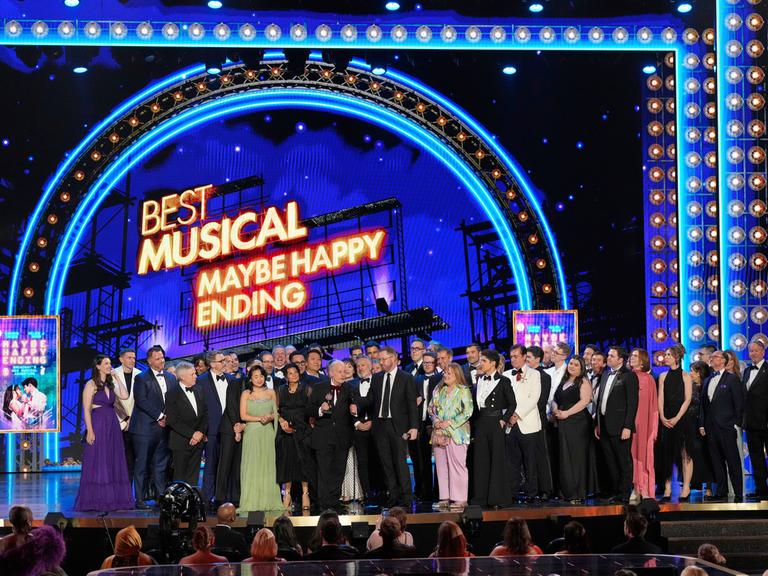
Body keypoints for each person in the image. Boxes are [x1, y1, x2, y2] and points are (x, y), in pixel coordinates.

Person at [75, 354, 134, 512]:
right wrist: (90, 431)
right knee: (99, 460)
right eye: (106, 363)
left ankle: (114, 499)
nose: (109, 366)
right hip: (98, 424)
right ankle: (96, 500)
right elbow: (86, 410)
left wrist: (117, 378)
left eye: (110, 363)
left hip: (112, 425)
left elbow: (125, 395)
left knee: (112, 458)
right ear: (98, 366)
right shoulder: (91, 384)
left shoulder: (111, 383)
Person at [369, 346, 418, 507]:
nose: (380, 362)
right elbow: (370, 401)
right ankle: (393, 495)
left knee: (400, 462)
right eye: (379, 360)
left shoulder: (406, 378)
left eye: (383, 359)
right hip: (380, 426)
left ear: (393, 358)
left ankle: (406, 497)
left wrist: (414, 427)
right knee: (386, 463)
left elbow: (412, 404)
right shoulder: (376, 378)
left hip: (399, 426)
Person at [130, 345, 177, 509]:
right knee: (142, 464)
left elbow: (173, 401)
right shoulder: (141, 378)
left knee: (160, 464)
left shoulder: (171, 378)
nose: (162, 360)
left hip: (164, 429)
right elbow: (141, 400)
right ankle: (140, 499)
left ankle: (161, 497)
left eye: (163, 357)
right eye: (158, 358)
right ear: (150, 361)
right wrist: (160, 416)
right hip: (144, 429)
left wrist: (168, 417)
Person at [307, 360, 357, 511]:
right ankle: (324, 504)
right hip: (323, 437)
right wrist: (320, 410)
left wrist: (356, 407)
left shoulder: (349, 388)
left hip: (342, 437)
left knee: (338, 471)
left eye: (345, 371)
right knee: (323, 471)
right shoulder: (319, 387)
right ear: (331, 373)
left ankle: (334, 502)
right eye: (340, 371)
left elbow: (356, 404)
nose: (344, 374)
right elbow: (308, 410)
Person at [471, 349, 516, 508]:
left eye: (483, 361)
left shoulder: (504, 381)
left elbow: (512, 404)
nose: (480, 363)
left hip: (496, 423)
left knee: (497, 460)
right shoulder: (479, 380)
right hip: (481, 423)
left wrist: (504, 420)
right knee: (481, 460)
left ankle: (497, 497)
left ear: (493, 363)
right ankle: (481, 497)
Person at [699, 350, 744, 502]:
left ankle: (738, 492)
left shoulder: (732, 379)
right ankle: (722, 491)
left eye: (715, 357)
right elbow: (703, 405)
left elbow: (739, 403)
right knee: (716, 461)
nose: (711, 359)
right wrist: (702, 424)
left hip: (726, 427)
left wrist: (735, 423)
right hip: (711, 428)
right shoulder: (707, 381)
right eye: (711, 357)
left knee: (732, 460)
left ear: (724, 361)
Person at [595, 346, 639, 504]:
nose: (608, 358)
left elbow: (632, 403)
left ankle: (625, 493)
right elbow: (601, 401)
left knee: (623, 461)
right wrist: (598, 424)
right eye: (608, 355)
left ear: (621, 359)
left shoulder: (629, 376)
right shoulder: (606, 374)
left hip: (620, 427)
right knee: (610, 461)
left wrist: (628, 426)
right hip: (605, 426)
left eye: (612, 356)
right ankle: (615, 491)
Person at [239, 365, 284, 512]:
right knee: (252, 465)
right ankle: (251, 501)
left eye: (261, 376)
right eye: (256, 376)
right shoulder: (246, 394)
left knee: (268, 464)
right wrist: (260, 418)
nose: (259, 379)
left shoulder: (271, 393)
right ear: (250, 378)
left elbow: (276, 412)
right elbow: (243, 416)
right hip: (252, 432)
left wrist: (270, 417)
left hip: (267, 432)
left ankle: (269, 500)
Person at [429, 363, 473, 510]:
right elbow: (431, 408)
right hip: (440, 433)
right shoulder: (438, 390)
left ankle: (460, 499)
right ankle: (444, 498)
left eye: (449, 374)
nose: (446, 376)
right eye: (445, 373)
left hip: (457, 433)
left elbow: (468, 411)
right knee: (441, 467)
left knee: (457, 466)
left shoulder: (463, 390)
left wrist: (450, 423)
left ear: (457, 375)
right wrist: (436, 421)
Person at [552, 355, 595, 503]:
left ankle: (577, 492)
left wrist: (567, 413)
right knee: (565, 456)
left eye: (576, 365)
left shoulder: (583, 382)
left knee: (576, 457)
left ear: (581, 368)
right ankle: (566, 491)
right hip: (563, 422)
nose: (572, 366)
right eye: (571, 363)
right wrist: (556, 410)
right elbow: (555, 399)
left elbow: (584, 402)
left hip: (578, 422)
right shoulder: (564, 380)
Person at [198, 350, 237, 507]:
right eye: (222, 361)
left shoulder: (231, 379)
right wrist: (203, 430)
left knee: (227, 464)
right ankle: (207, 499)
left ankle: (224, 499)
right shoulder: (201, 381)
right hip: (211, 430)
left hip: (229, 429)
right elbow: (200, 408)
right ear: (212, 364)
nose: (225, 363)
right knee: (210, 466)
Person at [504, 344, 542, 503]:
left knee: (530, 460)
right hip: (510, 425)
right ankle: (512, 492)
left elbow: (534, 398)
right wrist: (508, 416)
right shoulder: (506, 374)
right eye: (511, 357)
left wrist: (517, 414)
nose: (513, 359)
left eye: (516, 356)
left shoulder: (534, 374)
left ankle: (532, 493)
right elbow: (503, 398)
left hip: (527, 422)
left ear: (524, 356)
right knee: (512, 461)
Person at [656, 345, 693, 501]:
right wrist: (663, 417)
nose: (665, 357)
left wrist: (677, 418)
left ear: (677, 357)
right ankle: (667, 487)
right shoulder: (663, 376)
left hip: (681, 418)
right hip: (666, 417)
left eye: (668, 354)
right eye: (665, 354)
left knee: (685, 453)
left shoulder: (685, 376)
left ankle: (686, 486)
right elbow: (660, 398)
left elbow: (688, 399)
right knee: (666, 453)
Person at [165, 361, 209, 487]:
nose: (196, 376)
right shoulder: (172, 393)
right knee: (180, 477)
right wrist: (192, 434)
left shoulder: (199, 389)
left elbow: (205, 414)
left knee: (194, 476)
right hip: (181, 442)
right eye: (192, 374)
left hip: (198, 441)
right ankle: (180, 505)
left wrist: (200, 433)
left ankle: (192, 505)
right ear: (182, 377)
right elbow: (173, 421)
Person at [276, 363, 311, 511]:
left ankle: (305, 494)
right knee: (287, 463)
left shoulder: (307, 388)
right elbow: (275, 409)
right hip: (286, 431)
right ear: (285, 376)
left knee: (303, 462)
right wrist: (281, 421)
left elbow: (311, 409)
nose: (294, 375)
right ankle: (287, 495)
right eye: (290, 373)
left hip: (302, 430)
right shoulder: (280, 390)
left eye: (295, 372)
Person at [628, 348, 658, 503]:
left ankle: (644, 489)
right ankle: (634, 487)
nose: (632, 358)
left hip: (644, 423)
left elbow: (653, 406)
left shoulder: (648, 379)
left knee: (643, 455)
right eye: (631, 355)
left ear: (643, 360)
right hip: (628, 423)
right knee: (630, 455)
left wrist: (654, 428)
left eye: (635, 356)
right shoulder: (627, 376)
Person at [411, 351, 440, 502]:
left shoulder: (440, 378)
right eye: (425, 362)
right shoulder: (417, 379)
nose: (427, 365)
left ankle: (438, 491)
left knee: (440, 459)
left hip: (436, 423)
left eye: (430, 362)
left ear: (435, 363)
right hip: (420, 423)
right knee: (420, 459)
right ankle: (422, 490)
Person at [526, 345, 554, 499]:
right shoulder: (524, 374)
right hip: (524, 421)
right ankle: (532, 489)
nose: (526, 359)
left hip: (538, 420)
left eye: (529, 357)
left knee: (541, 455)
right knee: (529, 456)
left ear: (538, 359)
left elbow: (541, 401)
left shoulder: (544, 376)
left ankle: (545, 489)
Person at [743, 340, 768, 500]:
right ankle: (762, 490)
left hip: (766, 421)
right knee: (756, 457)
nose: (752, 354)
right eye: (750, 351)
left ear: (763, 352)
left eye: (755, 351)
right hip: (751, 423)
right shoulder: (746, 371)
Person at [353, 355, 380, 501]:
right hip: (358, 429)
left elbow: (380, 405)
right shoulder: (351, 385)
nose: (360, 367)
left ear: (370, 366)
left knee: (377, 459)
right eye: (358, 365)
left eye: (363, 365)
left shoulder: (378, 382)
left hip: (375, 428)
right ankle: (366, 493)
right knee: (362, 462)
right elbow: (346, 407)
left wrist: (372, 422)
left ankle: (380, 491)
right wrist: (357, 423)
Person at [112, 349, 140, 488]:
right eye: (129, 358)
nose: (132, 360)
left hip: (136, 422)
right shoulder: (112, 374)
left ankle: (129, 490)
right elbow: (112, 400)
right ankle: (117, 489)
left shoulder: (140, 375)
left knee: (132, 459)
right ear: (121, 359)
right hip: (118, 421)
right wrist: (124, 419)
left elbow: (141, 400)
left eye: (134, 358)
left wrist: (132, 419)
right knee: (117, 458)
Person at [689, 362, 715, 494]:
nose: (691, 374)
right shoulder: (690, 386)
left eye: (693, 371)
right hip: (691, 424)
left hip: (703, 424)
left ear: (700, 372)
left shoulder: (707, 386)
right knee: (693, 453)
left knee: (706, 453)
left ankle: (709, 486)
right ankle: (695, 482)